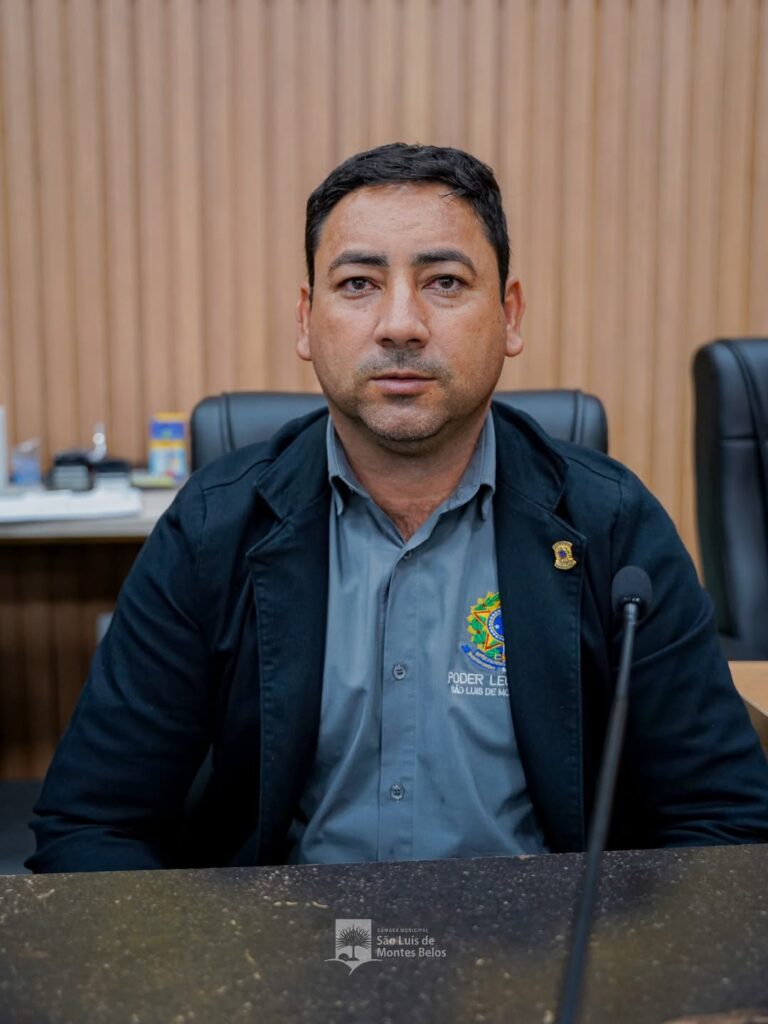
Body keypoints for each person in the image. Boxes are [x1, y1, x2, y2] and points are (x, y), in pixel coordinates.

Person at [28, 143, 768, 872]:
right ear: (305, 320)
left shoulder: (613, 526)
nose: (401, 324)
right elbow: (94, 822)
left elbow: (724, 819)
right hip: (280, 941)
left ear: (509, 316)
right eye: (358, 284)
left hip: (545, 944)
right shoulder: (212, 529)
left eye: (445, 282)